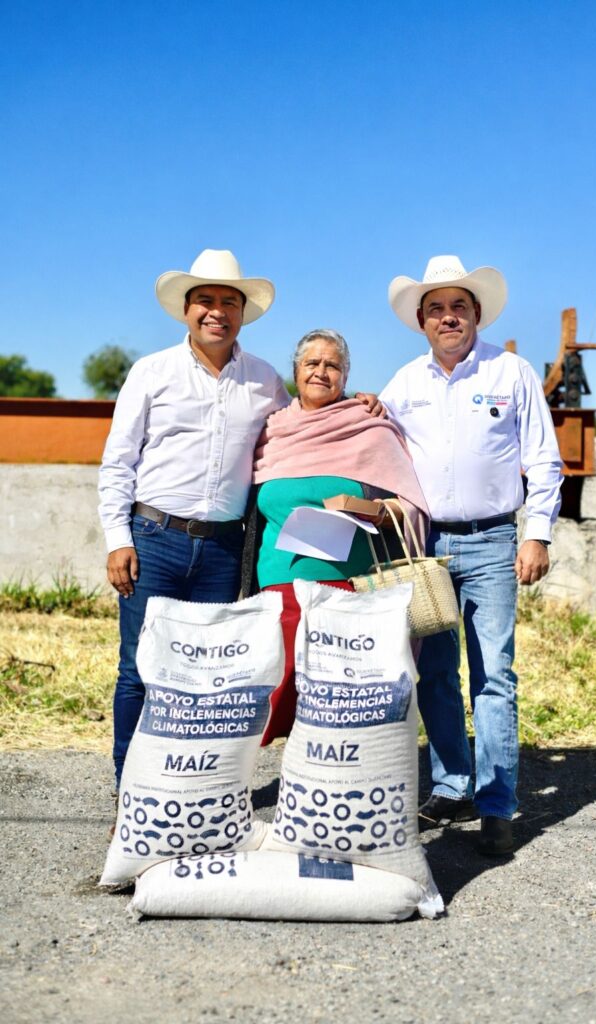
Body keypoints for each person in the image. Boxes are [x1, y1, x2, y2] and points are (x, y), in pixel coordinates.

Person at [380, 255, 563, 856]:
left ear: (477, 313)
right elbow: (373, 440)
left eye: (458, 306)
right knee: (434, 671)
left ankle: (496, 804)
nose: (448, 316)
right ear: (421, 321)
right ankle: (452, 784)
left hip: (492, 541)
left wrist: (537, 534)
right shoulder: (404, 384)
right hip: (425, 546)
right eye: (435, 308)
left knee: (494, 676)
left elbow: (543, 459)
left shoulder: (511, 373)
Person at [98, 249, 291, 787]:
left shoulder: (265, 380)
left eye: (229, 301)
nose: (217, 311)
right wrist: (117, 538)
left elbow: (300, 430)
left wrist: (358, 407)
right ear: (186, 310)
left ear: (242, 313)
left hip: (225, 551)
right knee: (140, 669)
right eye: (205, 300)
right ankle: (132, 795)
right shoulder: (151, 372)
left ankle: (191, 793)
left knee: (207, 674)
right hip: (153, 538)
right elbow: (118, 461)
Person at [241, 328, 429, 744]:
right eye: (312, 363)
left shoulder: (369, 427)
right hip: (280, 585)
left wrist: (371, 510)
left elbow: (410, 505)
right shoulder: (271, 431)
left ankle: (335, 771)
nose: (321, 372)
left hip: (351, 588)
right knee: (281, 687)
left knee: (341, 694)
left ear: (346, 375)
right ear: (296, 370)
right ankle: (283, 769)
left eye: (333, 365)